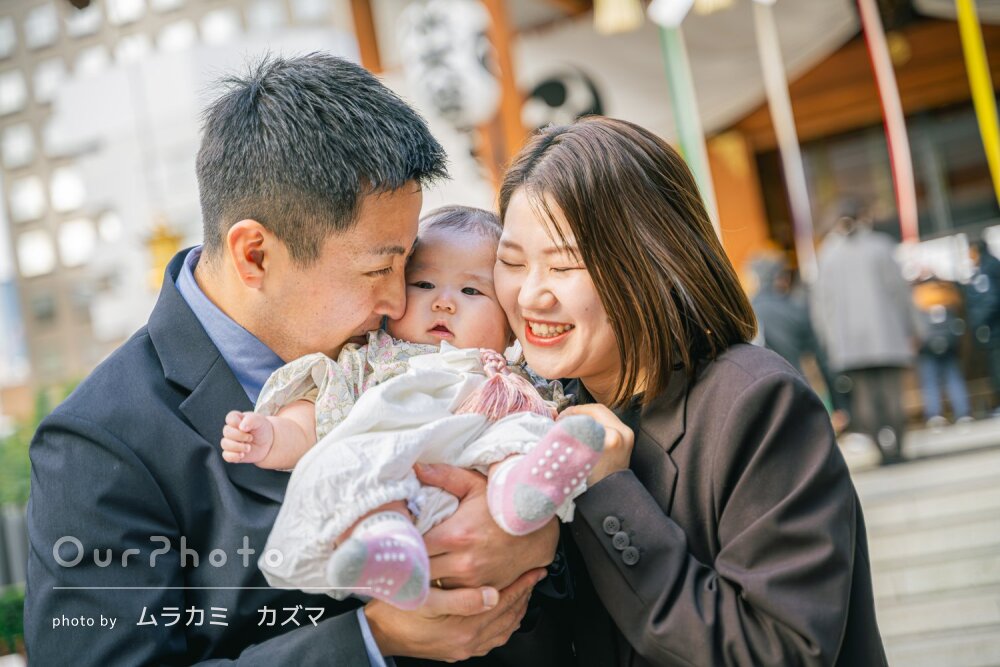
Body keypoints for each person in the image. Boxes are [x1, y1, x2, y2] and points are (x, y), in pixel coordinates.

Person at [25, 54, 555, 666]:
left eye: (407, 265)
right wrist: (370, 642)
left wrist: (529, 540)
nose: (396, 300)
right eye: (379, 269)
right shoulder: (98, 445)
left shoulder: (420, 350)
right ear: (254, 255)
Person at [491, 116, 887, 665]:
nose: (531, 295)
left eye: (565, 265)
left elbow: (778, 651)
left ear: (650, 259)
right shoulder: (529, 413)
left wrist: (609, 492)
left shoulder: (756, 403)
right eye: (511, 262)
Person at [220, 207, 604, 611]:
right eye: (423, 284)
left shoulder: (509, 379)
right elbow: (317, 415)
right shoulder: (370, 361)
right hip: (399, 475)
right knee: (347, 463)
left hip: (483, 492)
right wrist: (272, 435)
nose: (444, 303)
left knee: (525, 432)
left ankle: (523, 489)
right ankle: (389, 548)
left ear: (510, 324)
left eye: (471, 291)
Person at [811, 201, 920, 464]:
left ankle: (882, 453)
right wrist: (914, 328)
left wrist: (829, 341)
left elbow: (821, 306)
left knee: (864, 400)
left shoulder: (828, 255)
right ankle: (898, 449)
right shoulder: (881, 246)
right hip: (888, 335)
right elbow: (900, 292)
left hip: (850, 343)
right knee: (893, 395)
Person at [912, 275, 971, 427]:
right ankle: (962, 412)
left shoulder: (917, 297)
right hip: (949, 342)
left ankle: (934, 414)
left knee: (929, 380)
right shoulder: (947, 293)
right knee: (953, 377)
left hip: (927, 345)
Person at [966, 239, 1000, 413]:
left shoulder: (987, 269)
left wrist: (978, 321)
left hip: (995, 329)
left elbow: (991, 298)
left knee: (997, 366)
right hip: (993, 328)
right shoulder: (991, 265)